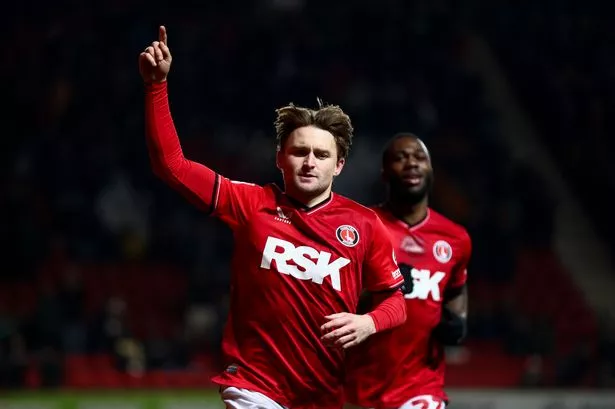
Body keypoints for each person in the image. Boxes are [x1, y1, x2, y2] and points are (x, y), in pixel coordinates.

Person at [139, 26, 407, 409]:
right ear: (280, 158)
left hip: (323, 393)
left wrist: (369, 322)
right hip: (253, 385)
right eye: (299, 152)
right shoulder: (250, 203)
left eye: (321, 154)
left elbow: (395, 301)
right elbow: (171, 165)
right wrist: (156, 87)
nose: (310, 162)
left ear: (340, 165)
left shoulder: (365, 225)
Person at [344, 133, 472, 409]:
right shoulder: (361, 226)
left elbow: (456, 289)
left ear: (430, 170)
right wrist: (383, 285)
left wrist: (458, 320)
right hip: (357, 384)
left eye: (418, 157)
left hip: (421, 386)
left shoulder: (455, 239)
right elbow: (336, 300)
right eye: (400, 158)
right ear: (384, 174)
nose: (411, 163)